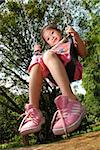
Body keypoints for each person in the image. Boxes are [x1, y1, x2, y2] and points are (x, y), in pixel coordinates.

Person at [18, 24, 87, 136]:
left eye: (52, 33)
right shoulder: (51, 52)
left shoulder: (69, 42)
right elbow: (42, 59)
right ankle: (34, 112)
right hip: (55, 73)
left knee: (47, 55)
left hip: (70, 67)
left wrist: (75, 35)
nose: (52, 37)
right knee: (37, 59)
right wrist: (36, 52)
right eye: (48, 39)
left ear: (59, 31)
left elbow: (84, 53)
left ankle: (70, 100)